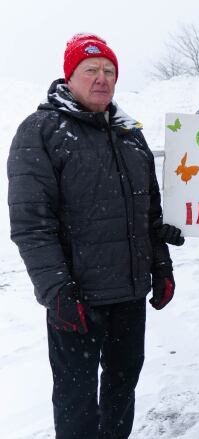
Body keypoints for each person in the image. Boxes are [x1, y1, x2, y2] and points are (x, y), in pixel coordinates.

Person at [7, 33, 184, 439]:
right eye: (90, 70)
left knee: (123, 385)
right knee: (76, 396)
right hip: (78, 297)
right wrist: (57, 291)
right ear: (69, 76)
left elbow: (149, 213)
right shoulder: (40, 131)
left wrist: (161, 264)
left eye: (109, 71)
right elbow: (32, 224)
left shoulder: (129, 133)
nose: (101, 78)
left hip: (129, 294)